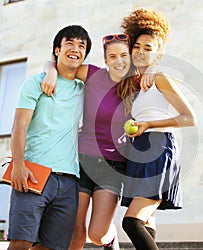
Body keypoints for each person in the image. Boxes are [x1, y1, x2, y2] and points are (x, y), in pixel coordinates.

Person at [42, 33, 143, 250]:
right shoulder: (93, 74)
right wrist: (50, 71)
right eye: (113, 56)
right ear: (105, 60)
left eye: (124, 55)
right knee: (75, 229)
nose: (119, 61)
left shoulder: (136, 85)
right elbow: (59, 63)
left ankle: (111, 238)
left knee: (97, 235)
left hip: (113, 166)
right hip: (81, 161)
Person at [7, 25, 92, 250]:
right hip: (33, 172)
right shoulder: (35, 83)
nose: (75, 49)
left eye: (81, 46)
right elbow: (19, 126)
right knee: (20, 243)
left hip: (68, 180)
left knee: (51, 247)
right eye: (69, 44)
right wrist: (18, 165)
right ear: (57, 50)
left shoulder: (83, 90)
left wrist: (52, 69)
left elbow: (115, 74)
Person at [120, 8, 196, 250]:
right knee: (147, 222)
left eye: (148, 48)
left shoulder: (160, 77)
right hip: (139, 151)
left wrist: (148, 124)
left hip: (158, 149)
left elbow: (188, 118)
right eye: (137, 46)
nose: (141, 52)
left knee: (132, 222)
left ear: (158, 54)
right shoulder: (134, 83)